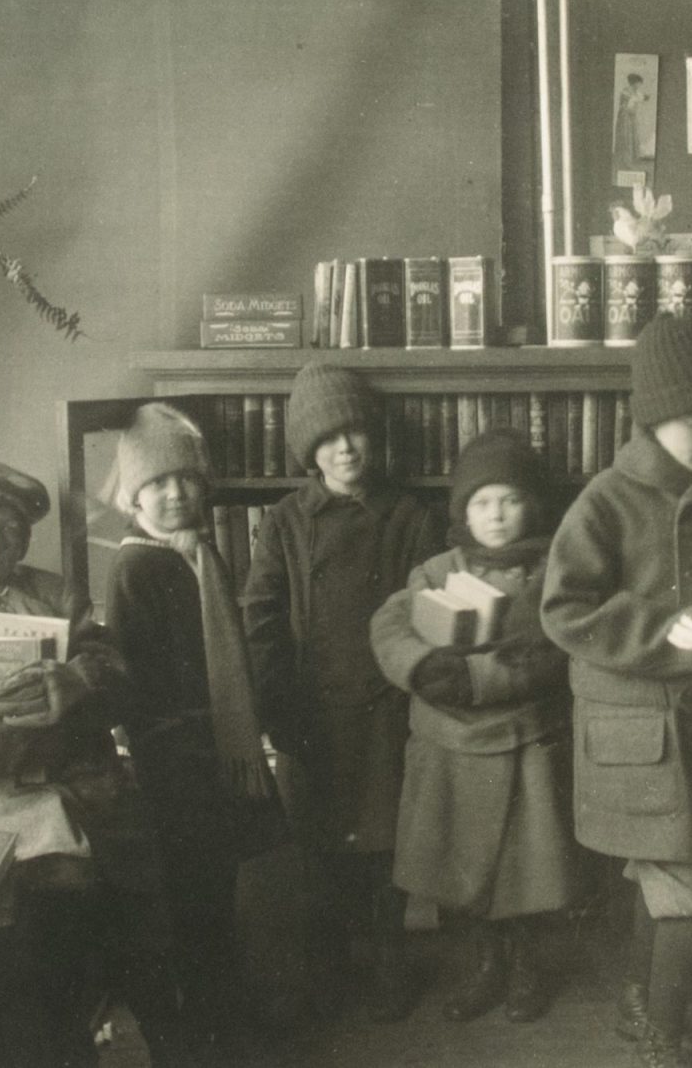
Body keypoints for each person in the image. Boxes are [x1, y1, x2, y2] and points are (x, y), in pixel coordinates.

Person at [0, 459, 194, 1068]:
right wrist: (54, 724)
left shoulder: (56, 595)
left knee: (145, 947)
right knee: (35, 984)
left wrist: (77, 681)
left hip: (89, 802)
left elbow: (120, 680)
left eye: (11, 528)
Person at [540, 316, 692, 1068]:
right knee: (691, 885)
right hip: (641, 729)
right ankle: (662, 1038)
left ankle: (639, 998)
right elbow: (564, 610)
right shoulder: (607, 499)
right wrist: (675, 631)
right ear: (654, 419)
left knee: (671, 879)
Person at [242, 362, 444, 1023]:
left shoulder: (409, 515)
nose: (346, 449)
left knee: (388, 841)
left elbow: (431, 608)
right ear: (310, 451)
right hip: (313, 710)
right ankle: (328, 962)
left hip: (389, 708)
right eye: (329, 439)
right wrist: (276, 707)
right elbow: (264, 619)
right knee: (320, 844)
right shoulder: (286, 522)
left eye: (355, 433)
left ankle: (387, 954)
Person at [370, 429, 579, 1025]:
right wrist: (421, 666)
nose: (496, 514)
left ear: (532, 506)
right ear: (462, 509)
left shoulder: (554, 574)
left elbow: (553, 654)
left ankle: (525, 968)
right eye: (482, 501)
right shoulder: (435, 570)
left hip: (521, 741)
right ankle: (483, 965)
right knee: (458, 870)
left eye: (510, 500)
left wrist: (478, 681)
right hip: (446, 744)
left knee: (522, 873)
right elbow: (388, 627)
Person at [105, 402, 285, 1059]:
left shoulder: (198, 555)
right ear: (135, 497)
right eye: (158, 485)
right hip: (175, 764)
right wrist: (179, 746)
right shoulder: (137, 569)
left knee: (215, 894)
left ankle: (226, 1006)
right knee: (190, 901)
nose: (176, 494)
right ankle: (207, 1026)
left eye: (186, 481)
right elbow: (132, 684)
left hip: (212, 755)